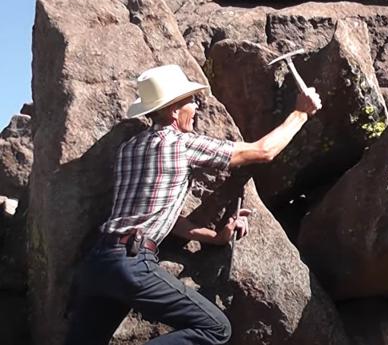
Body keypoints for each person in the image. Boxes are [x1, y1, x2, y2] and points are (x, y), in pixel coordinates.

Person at [64, 64, 322, 345]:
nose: (197, 107)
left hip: (98, 263)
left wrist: (215, 237)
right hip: (131, 263)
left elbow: (159, 215)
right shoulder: (181, 144)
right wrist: (300, 113)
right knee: (215, 328)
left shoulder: (129, 149)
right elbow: (263, 151)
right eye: (191, 101)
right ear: (173, 111)